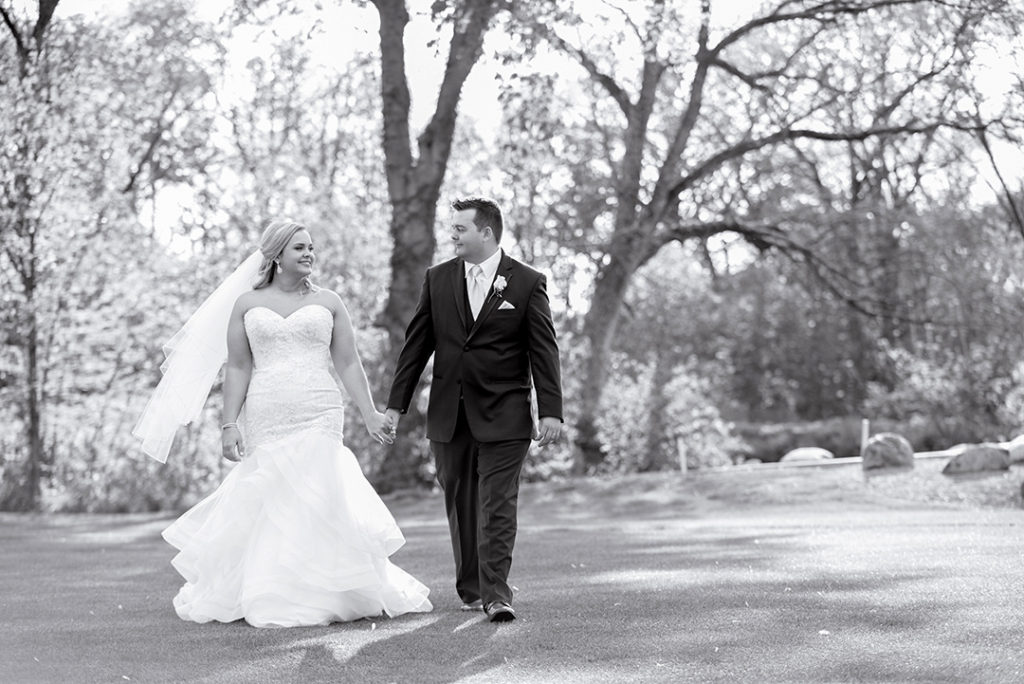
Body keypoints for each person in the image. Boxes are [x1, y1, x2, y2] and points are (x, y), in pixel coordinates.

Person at [133, 219, 432, 628]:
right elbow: (238, 366)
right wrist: (228, 424)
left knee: (320, 492)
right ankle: (271, 590)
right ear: (276, 256)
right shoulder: (246, 304)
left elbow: (347, 362)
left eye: (311, 247)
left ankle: (330, 589)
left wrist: (369, 413)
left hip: (321, 408)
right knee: (273, 496)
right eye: (299, 248)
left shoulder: (329, 301)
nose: (309, 254)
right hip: (267, 409)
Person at [384, 197, 563, 623]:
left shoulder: (527, 281)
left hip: (506, 413)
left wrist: (550, 410)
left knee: (497, 502)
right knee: (461, 504)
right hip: (449, 414)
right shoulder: (438, 278)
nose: (452, 235)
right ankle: (471, 588)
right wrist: (396, 405)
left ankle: (497, 594)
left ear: (486, 232)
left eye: (460, 228)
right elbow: (416, 347)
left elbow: (544, 349)